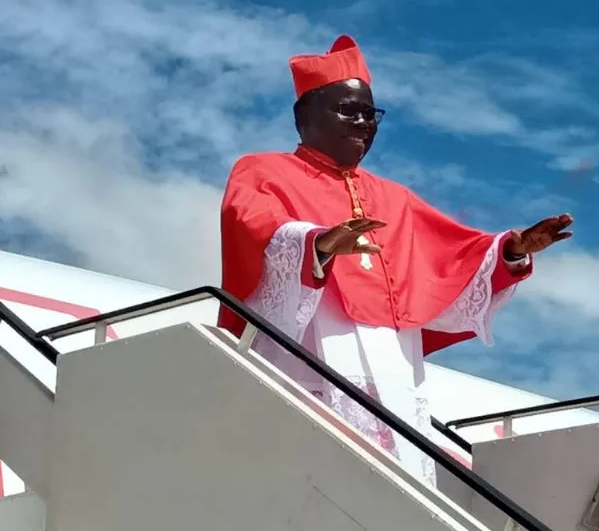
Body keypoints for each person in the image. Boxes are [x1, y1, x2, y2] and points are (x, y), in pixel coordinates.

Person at [217, 34, 574, 487]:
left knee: (399, 466)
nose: (364, 122)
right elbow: (251, 223)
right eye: (349, 111)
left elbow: (452, 256)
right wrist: (318, 244)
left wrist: (512, 251)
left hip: (390, 349)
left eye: (371, 114)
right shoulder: (263, 170)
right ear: (304, 116)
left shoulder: (392, 196)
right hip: (308, 338)